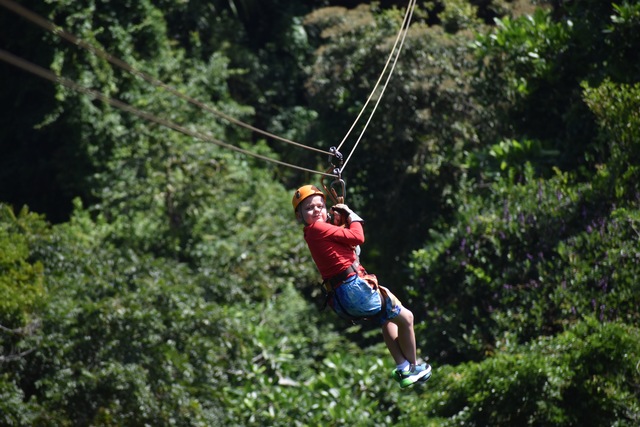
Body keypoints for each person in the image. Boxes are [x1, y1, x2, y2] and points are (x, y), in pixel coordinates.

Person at [292, 184, 432, 388]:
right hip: (353, 288)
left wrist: (341, 221)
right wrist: (352, 215)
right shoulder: (318, 228)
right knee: (407, 317)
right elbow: (358, 237)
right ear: (300, 216)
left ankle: (402, 366)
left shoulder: (315, 232)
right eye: (309, 208)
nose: (317, 211)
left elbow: (342, 240)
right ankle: (412, 367)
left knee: (389, 321)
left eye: (320, 206)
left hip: (343, 295)